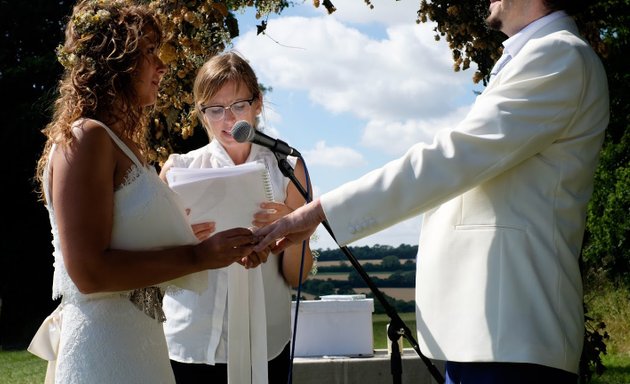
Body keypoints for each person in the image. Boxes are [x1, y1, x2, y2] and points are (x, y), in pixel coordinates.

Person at [253, 1, 609, 383]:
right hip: (490, 333)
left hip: (513, 330)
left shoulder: (559, 55)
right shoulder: (538, 57)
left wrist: (321, 210)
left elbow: (453, 159)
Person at [28, 2, 260, 383]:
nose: (162, 66)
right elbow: (88, 272)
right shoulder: (86, 139)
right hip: (105, 350)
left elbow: (127, 243)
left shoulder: (120, 145)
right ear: (114, 62)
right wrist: (198, 256)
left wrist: (181, 237)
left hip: (143, 344)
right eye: (148, 52)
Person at [159, 51, 313, 384]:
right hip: (192, 340)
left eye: (238, 106)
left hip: (266, 339)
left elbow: (297, 276)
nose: (229, 121)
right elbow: (155, 265)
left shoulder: (288, 168)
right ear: (201, 114)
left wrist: (293, 228)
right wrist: (182, 241)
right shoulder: (178, 170)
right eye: (215, 109)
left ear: (258, 103)